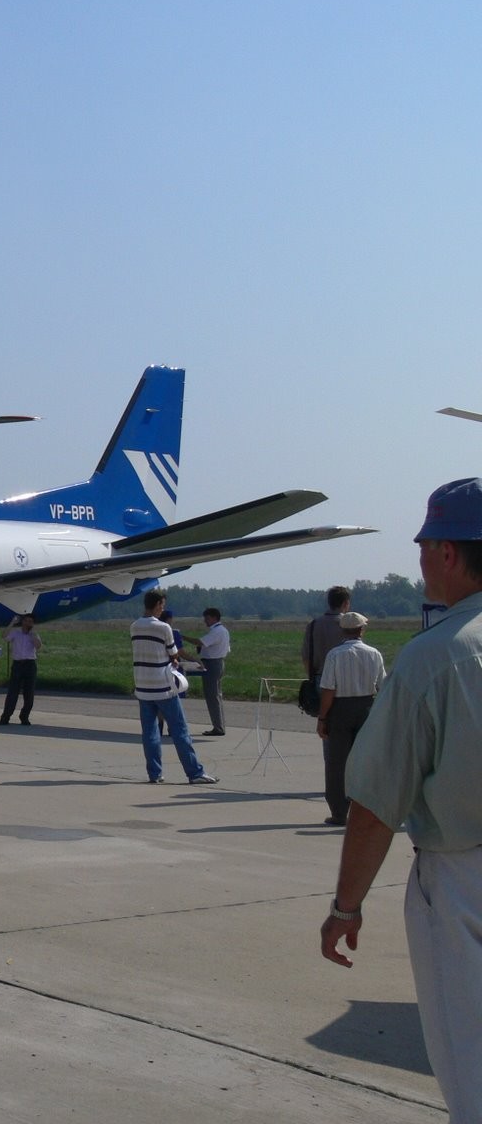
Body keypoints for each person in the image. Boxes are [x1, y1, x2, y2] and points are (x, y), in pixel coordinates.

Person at [320, 478, 482, 1120]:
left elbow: (377, 806)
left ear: (445, 552)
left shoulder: (435, 658)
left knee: (471, 1059)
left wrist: (346, 906)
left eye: (423, 547)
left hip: (465, 879)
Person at [130, 590, 218, 786]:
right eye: (162, 605)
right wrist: (177, 662)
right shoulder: (163, 628)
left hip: (143, 686)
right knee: (180, 730)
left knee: (150, 732)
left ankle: (155, 773)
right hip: (163, 686)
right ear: (158, 604)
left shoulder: (134, 626)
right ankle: (194, 771)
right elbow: (173, 654)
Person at [315, 611, 384, 827]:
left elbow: (328, 689)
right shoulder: (374, 653)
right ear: (362, 630)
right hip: (366, 706)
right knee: (365, 760)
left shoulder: (335, 654)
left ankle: (338, 811)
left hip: (340, 709)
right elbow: (382, 686)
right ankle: (366, 808)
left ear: (342, 630)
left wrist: (322, 717)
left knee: (337, 762)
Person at [0, 614, 41, 726]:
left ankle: (24, 717)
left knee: (29, 693)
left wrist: (33, 635)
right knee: (13, 693)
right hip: (18, 665)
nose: (28, 623)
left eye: (30, 621)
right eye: (26, 621)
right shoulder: (16, 633)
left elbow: (38, 646)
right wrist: (12, 623)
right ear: (22, 622)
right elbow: (4, 636)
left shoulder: (34, 634)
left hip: (30, 664)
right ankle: (5, 717)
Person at [192, 607, 232, 736]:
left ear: (214, 617)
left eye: (207, 618)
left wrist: (181, 637)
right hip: (218, 663)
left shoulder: (217, 631)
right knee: (216, 696)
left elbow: (200, 642)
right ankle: (219, 725)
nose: (205, 621)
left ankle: (218, 727)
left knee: (212, 696)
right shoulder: (223, 631)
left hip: (212, 664)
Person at [303, 585, 351, 686]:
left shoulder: (313, 625)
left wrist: (311, 677)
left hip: (319, 677)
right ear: (345, 603)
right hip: (344, 678)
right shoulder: (349, 625)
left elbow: (306, 656)